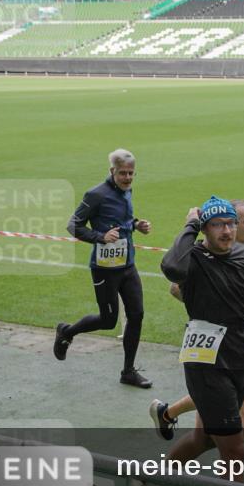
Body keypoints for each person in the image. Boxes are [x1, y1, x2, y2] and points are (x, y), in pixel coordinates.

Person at [160, 196, 244, 485]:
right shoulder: (193, 258)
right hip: (207, 365)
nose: (227, 231)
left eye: (230, 223)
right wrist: (190, 225)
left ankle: (150, 479)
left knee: (203, 439)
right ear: (205, 228)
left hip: (241, 354)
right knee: (234, 451)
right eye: (217, 225)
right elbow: (172, 268)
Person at [54, 149, 152, 388]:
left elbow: (122, 219)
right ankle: (67, 331)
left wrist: (136, 224)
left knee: (137, 315)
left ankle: (128, 371)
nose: (127, 178)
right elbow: (73, 225)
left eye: (131, 173)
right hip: (105, 269)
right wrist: (100, 237)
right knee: (108, 320)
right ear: (112, 171)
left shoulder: (127, 190)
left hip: (127, 265)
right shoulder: (96, 194)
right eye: (123, 173)